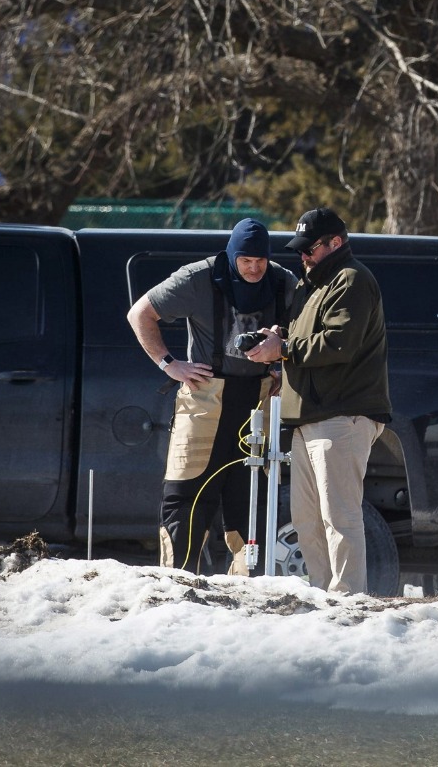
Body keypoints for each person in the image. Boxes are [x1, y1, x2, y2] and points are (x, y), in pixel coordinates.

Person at [127, 218, 297, 575]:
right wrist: (169, 364)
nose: (253, 269)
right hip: (204, 398)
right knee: (185, 496)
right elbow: (140, 313)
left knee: (252, 501)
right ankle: (176, 584)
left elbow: (304, 335)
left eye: (260, 262)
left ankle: (249, 591)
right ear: (232, 255)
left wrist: (281, 365)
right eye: (245, 261)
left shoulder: (283, 282)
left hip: (258, 404)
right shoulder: (198, 278)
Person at [247, 207, 392, 595]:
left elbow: (339, 343)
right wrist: (278, 336)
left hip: (342, 416)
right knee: (307, 520)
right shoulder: (310, 286)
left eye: (310, 248)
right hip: (309, 416)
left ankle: (347, 599)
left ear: (336, 243)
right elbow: (301, 340)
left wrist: (285, 348)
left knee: (339, 516)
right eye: (300, 249)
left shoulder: (352, 279)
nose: (303, 256)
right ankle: (323, 596)